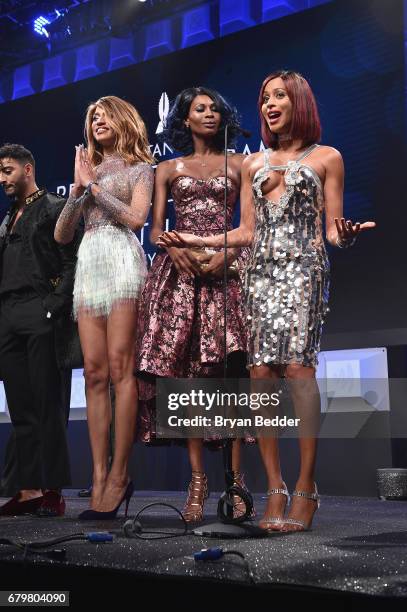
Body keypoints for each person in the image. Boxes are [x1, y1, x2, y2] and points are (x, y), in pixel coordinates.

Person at [157, 70, 376, 531]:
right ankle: (274, 488)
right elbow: (247, 232)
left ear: (299, 102)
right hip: (258, 273)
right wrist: (198, 237)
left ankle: (306, 486)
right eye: (264, 98)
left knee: (298, 371)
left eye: (279, 96)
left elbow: (333, 231)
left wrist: (347, 236)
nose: (270, 104)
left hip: (303, 271)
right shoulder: (253, 164)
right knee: (260, 376)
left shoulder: (327, 157)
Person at [136, 86, 253, 523]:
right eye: (200, 109)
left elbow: (247, 226)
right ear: (184, 119)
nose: (209, 114)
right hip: (180, 277)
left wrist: (227, 256)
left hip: (228, 273)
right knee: (185, 378)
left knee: (233, 377)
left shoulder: (241, 163)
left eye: (215, 109)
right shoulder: (166, 168)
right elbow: (155, 231)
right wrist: (176, 252)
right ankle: (198, 481)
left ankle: (237, 482)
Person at [55, 96, 154, 519]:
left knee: (119, 368)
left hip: (122, 261)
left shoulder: (140, 169)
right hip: (89, 264)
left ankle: (119, 475)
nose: (97, 120)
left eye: (104, 114)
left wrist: (94, 187)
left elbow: (135, 219)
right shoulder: (86, 171)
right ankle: (96, 477)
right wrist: (78, 190)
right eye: (92, 116)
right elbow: (62, 235)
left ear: (124, 120)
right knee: (93, 373)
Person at [0, 143, 79, 517]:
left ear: (28, 169)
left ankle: (52, 490)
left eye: (8, 170)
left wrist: (53, 306)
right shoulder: (8, 216)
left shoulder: (53, 207)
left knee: (48, 405)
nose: (2, 179)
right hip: (8, 316)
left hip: (40, 311)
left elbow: (70, 262)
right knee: (21, 408)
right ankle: (28, 489)